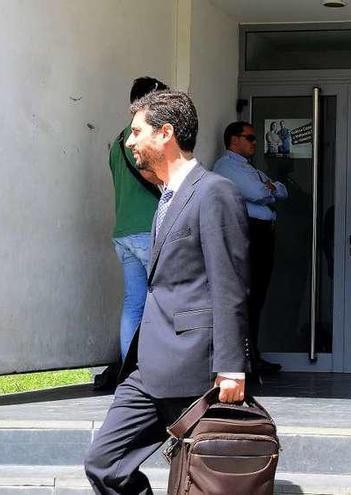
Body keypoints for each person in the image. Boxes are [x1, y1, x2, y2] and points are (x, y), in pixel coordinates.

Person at [84, 90, 251, 493]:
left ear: (166, 133)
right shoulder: (166, 197)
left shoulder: (214, 191)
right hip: (150, 364)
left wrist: (231, 365)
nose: (129, 141)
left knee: (208, 480)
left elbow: (230, 284)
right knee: (104, 462)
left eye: (137, 131)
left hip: (196, 366)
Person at [94, 76, 168, 391]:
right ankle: (159, 372)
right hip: (147, 228)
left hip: (123, 231)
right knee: (166, 298)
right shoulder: (149, 139)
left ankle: (130, 375)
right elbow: (158, 178)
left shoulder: (117, 143)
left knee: (134, 303)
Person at [214, 121, 289, 376]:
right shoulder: (226, 166)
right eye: (250, 138)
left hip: (262, 234)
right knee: (247, 296)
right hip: (248, 233)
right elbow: (258, 192)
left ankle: (253, 354)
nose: (255, 143)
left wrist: (270, 189)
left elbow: (282, 190)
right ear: (234, 140)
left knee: (257, 296)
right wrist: (268, 190)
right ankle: (244, 358)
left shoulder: (248, 168)